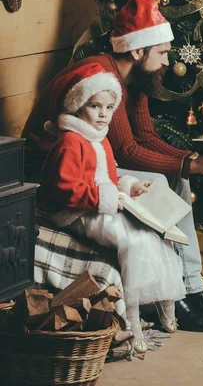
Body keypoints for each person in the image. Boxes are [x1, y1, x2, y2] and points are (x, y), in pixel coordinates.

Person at [22, 0, 203, 332]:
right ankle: (179, 296)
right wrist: (189, 167)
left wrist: (190, 160)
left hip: (93, 158)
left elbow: (147, 138)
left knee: (178, 179)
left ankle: (192, 287)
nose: (168, 61)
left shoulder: (137, 79)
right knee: (163, 180)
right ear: (137, 50)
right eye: (163, 53)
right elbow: (127, 151)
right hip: (56, 167)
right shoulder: (102, 77)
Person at [39, 62, 186, 353]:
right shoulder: (71, 141)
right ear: (79, 106)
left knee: (156, 235)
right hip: (78, 212)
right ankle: (131, 320)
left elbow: (108, 174)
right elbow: (65, 188)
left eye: (109, 107)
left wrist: (128, 186)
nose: (103, 114)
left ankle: (166, 303)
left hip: (103, 203)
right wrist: (103, 199)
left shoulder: (99, 137)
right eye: (95, 106)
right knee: (131, 242)